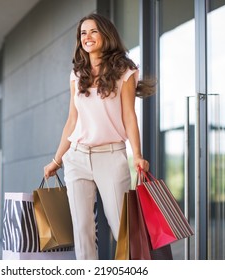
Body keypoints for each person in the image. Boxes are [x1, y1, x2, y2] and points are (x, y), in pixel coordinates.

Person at [44, 13, 155, 260]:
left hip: (111, 157)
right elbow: (72, 121)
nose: (87, 37)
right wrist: (56, 160)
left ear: (106, 34)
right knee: (82, 231)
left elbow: (129, 116)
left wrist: (137, 155)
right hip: (77, 158)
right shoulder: (76, 74)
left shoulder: (124, 71)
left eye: (93, 31)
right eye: (83, 33)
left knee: (122, 229)